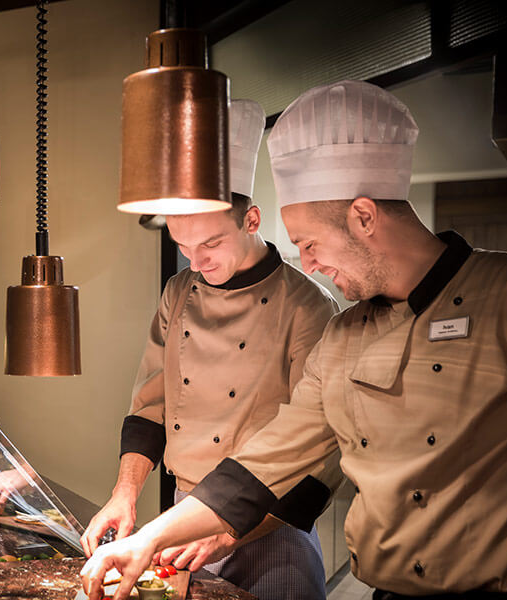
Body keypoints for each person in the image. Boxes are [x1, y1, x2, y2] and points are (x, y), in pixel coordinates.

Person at [80, 80, 507, 600]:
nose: (310, 262)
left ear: (364, 217)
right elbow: (270, 459)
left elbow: (311, 473)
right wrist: (150, 535)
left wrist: (217, 533)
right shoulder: (346, 336)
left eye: (310, 243)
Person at [78, 99, 338, 600]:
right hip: (183, 518)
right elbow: (150, 406)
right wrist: (124, 493)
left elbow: (320, 454)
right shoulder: (179, 293)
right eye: (184, 247)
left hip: (272, 530)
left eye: (211, 245)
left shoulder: (308, 307)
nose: (196, 263)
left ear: (252, 219)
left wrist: (230, 530)